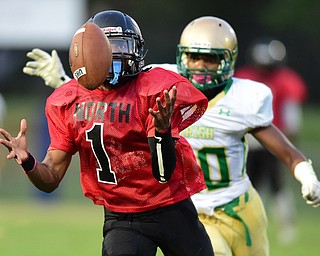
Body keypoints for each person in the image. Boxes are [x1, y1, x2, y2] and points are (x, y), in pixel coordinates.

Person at [22, 15, 320, 256]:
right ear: (181, 56)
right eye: (193, 57)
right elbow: (106, 104)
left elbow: (122, 108)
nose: (200, 67)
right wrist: (69, 80)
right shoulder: (157, 83)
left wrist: (305, 172)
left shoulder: (232, 94)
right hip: (170, 207)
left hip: (230, 203)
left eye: (210, 60)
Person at [1, 10, 215, 256]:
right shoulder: (67, 101)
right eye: (105, 46)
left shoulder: (152, 89)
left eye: (120, 45)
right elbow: (50, 179)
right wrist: (28, 162)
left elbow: (164, 173)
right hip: (122, 218)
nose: (116, 54)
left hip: (172, 207)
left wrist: (162, 131)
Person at [235, 37, 308, 243]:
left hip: (272, 139)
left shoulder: (285, 80)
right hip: (250, 141)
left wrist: (289, 144)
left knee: (276, 186)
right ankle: (251, 224)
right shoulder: (245, 77)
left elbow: (291, 116)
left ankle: (286, 227)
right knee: (252, 185)